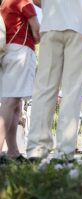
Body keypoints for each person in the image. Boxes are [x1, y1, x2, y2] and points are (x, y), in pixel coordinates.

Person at [26, 0, 82, 161]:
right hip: (80, 30)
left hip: (51, 26)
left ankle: (36, 149)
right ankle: (64, 152)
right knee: (72, 91)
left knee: (44, 89)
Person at [0, 0, 39, 163]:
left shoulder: (4, 4)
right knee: (10, 103)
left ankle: (13, 152)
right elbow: (37, 33)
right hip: (21, 51)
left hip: (9, 53)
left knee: (16, 104)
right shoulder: (22, 1)